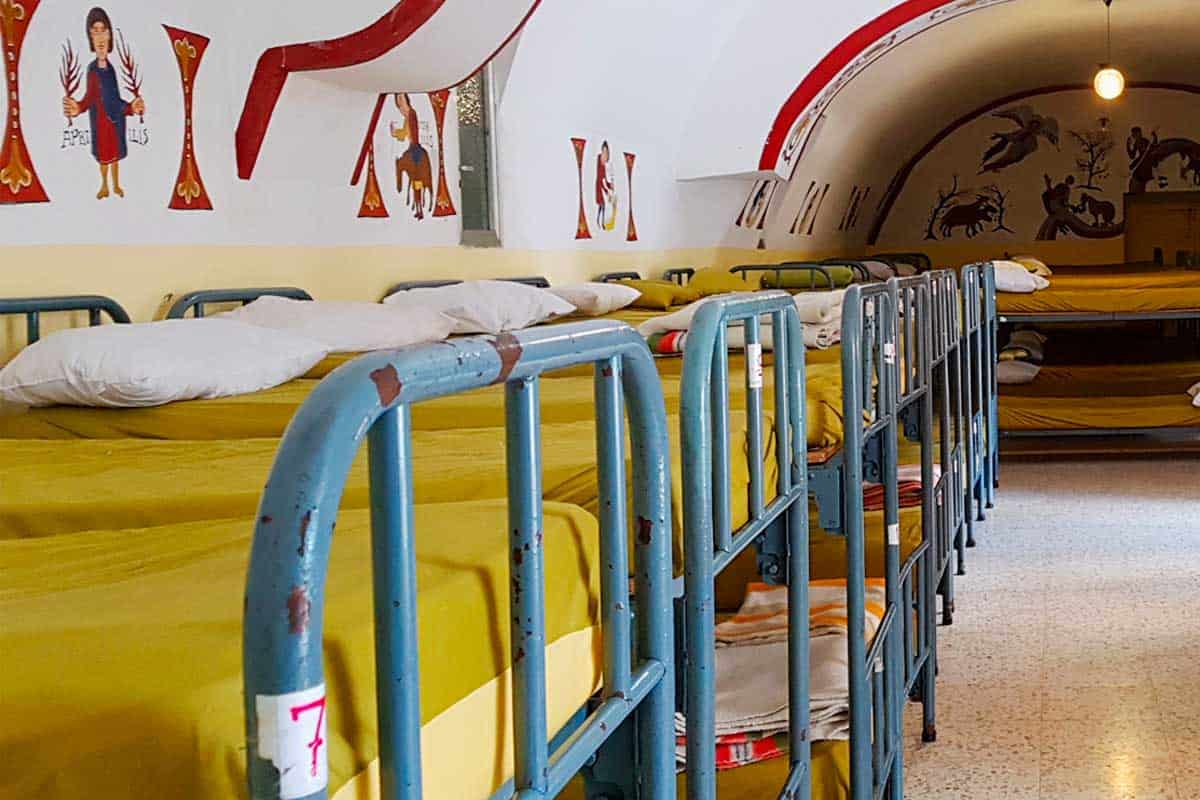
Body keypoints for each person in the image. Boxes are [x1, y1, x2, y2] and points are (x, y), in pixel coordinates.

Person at [62, 7, 145, 199]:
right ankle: (104, 185)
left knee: (115, 156)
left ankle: (116, 185)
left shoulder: (111, 69)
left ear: (109, 36)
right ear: (90, 38)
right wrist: (78, 108)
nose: (100, 37)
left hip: (115, 121)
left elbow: (115, 99)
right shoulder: (93, 70)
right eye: (95, 32)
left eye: (103, 31)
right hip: (101, 121)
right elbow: (90, 97)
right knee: (104, 157)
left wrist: (131, 107)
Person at [595, 141, 614, 229]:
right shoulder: (599, 159)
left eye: (606, 151)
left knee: (604, 205)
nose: (604, 153)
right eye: (603, 150)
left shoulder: (608, 163)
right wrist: (606, 188)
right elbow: (600, 176)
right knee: (601, 204)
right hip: (599, 185)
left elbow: (609, 177)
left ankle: (602, 223)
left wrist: (610, 186)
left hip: (604, 185)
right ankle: (599, 221)